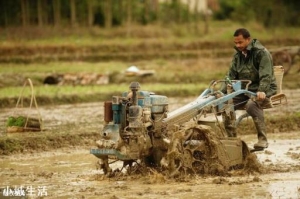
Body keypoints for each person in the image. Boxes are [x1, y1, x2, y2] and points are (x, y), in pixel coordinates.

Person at [222, 28, 277, 149]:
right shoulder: (238, 55)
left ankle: (263, 139)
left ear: (248, 40)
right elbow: (230, 76)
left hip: (264, 88)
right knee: (225, 104)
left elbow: (266, 75)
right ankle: (232, 140)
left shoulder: (261, 53)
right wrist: (221, 93)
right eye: (236, 43)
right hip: (245, 89)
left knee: (252, 105)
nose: (238, 45)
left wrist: (262, 90)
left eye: (240, 42)